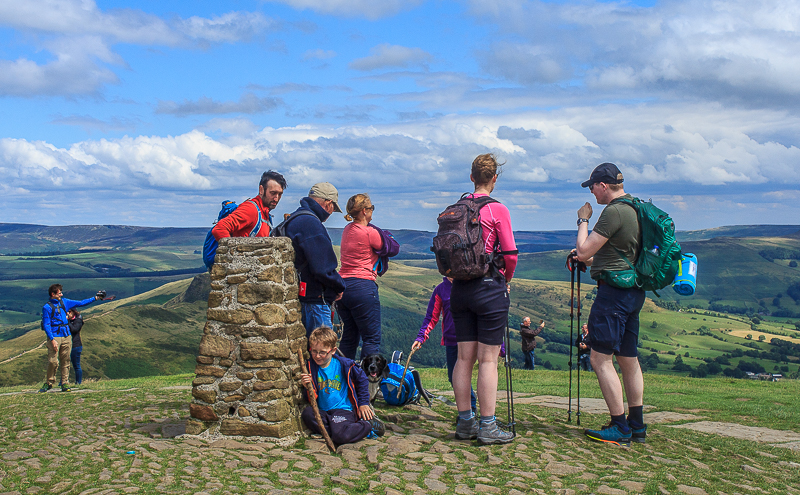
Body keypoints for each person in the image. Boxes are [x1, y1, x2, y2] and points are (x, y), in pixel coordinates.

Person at [575, 162, 647, 445]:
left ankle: (620, 426)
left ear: (603, 185)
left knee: (599, 357)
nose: (591, 192)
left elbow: (582, 251)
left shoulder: (613, 211)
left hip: (613, 294)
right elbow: (620, 253)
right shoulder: (636, 208)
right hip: (633, 291)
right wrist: (593, 260)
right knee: (628, 359)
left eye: (592, 186)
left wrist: (583, 220)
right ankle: (636, 424)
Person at [451, 153, 519, 445]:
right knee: (488, 360)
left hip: (460, 288)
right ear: (494, 178)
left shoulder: (456, 208)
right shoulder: (497, 210)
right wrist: (507, 279)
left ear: (471, 178)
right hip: (489, 286)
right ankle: (488, 425)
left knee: (464, 357)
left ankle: (465, 421)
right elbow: (510, 253)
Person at [300, 326, 385, 445]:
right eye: (314, 351)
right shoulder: (311, 367)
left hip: (342, 410)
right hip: (323, 411)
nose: (317, 356)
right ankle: (337, 430)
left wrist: (363, 403)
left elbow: (362, 380)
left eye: (322, 352)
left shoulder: (345, 365)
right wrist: (307, 387)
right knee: (307, 414)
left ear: (333, 350)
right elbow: (310, 397)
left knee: (341, 437)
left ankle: (366, 425)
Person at [283, 183, 346, 335]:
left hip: (303, 297)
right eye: (333, 209)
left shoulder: (296, 217)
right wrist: (339, 286)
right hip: (316, 300)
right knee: (321, 353)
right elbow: (323, 268)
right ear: (328, 203)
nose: (331, 213)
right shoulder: (311, 224)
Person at [337, 194, 391, 360]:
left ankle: (343, 381)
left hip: (342, 287)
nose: (372, 211)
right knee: (371, 339)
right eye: (371, 208)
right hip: (363, 286)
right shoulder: (369, 233)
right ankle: (367, 383)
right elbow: (391, 248)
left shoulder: (347, 229)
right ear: (364, 211)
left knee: (349, 338)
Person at [412, 276, 477, 412]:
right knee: (454, 376)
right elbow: (431, 316)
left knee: (465, 374)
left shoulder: (472, 283)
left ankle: (471, 409)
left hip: (472, 338)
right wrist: (421, 337)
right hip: (452, 340)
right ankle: (468, 409)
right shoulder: (441, 289)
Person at [39, 285, 103, 393]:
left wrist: (95, 298)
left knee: (66, 360)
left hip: (66, 335)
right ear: (53, 294)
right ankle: (49, 382)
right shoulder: (47, 307)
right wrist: (51, 339)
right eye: (59, 293)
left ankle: (65, 383)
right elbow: (46, 324)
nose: (61, 294)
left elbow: (81, 303)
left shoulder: (65, 302)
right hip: (54, 336)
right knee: (52, 361)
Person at [211, 170, 286, 240]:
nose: (276, 198)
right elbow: (220, 228)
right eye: (273, 193)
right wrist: (231, 251)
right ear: (261, 190)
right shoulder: (250, 209)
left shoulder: (265, 213)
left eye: (280, 194)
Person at [67, 309, 85, 386]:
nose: (68, 313)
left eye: (69, 312)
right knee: (65, 364)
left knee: (76, 365)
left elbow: (74, 330)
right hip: (68, 344)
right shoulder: (70, 321)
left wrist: (67, 321)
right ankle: (63, 382)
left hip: (75, 345)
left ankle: (78, 382)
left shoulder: (78, 321)